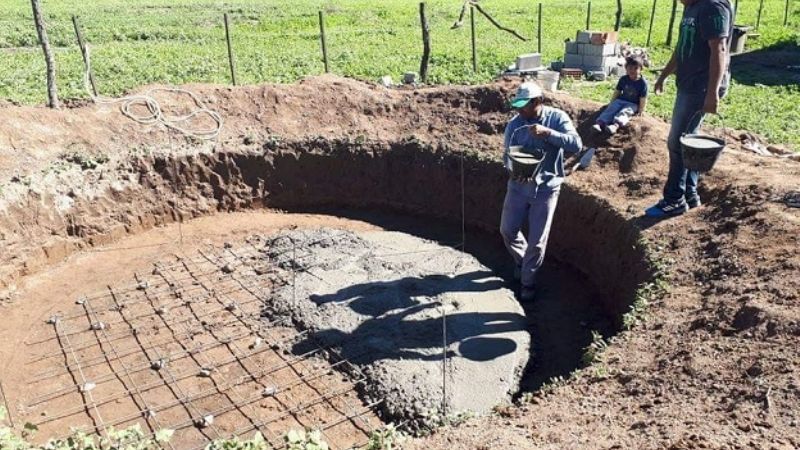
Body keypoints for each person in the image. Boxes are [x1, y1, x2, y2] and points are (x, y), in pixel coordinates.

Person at [646, 0, 733, 218]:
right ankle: (689, 194)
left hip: (701, 87)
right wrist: (664, 75)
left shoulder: (713, 7)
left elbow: (719, 49)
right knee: (687, 141)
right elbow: (682, 45)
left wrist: (712, 93)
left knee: (677, 143)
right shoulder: (691, 7)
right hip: (688, 83)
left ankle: (674, 199)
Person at [501, 82, 582, 301]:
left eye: (524, 105)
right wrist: (513, 169)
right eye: (518, 105)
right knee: (507, 230)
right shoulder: (515, 125)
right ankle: (522, 261)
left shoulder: (557, 118)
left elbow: (576, 144)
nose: (520, 110)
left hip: (546, 187)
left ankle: (527, 283)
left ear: (538, 102)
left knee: (537, 241)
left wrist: (548, 134)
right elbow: (506, 155)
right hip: (518, 186)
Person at [592, 56, 648, 135]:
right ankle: (600, 123)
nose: (632, 70)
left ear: (641, 69)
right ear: (626, 68)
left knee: (625, 112)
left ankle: (615, 125)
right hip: (621, 100)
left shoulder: (642, 83)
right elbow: (617, 91)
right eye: (630, 68)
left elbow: (643, 98)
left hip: (633, 104)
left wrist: (641, 110)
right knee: (612, 108)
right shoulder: (623, 79)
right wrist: (611, 102)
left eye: (636, 68)